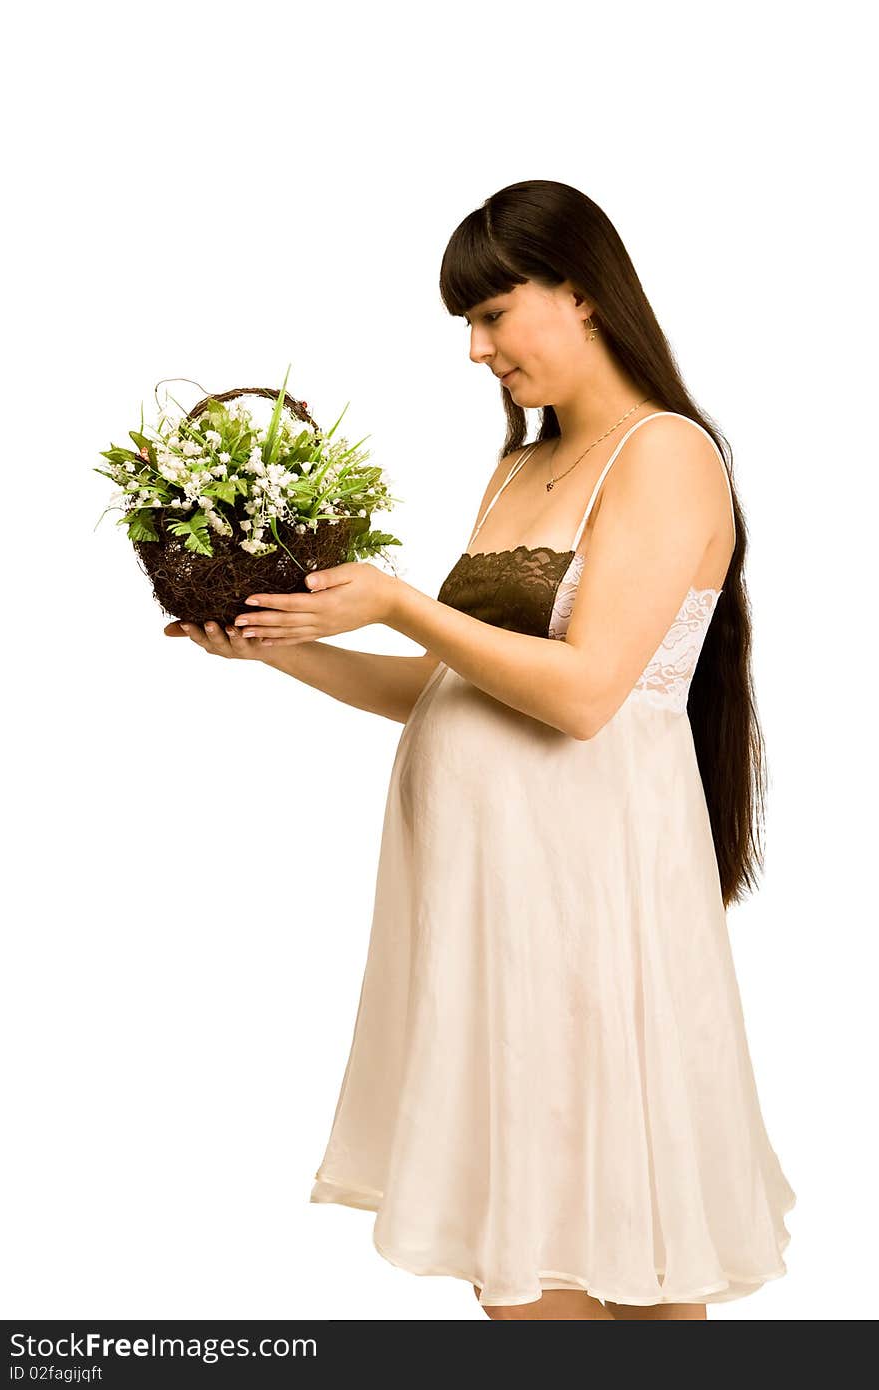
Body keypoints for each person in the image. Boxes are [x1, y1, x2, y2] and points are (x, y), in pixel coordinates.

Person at [167, 180, 796, 1320]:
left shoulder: (663, 456)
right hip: (491, 902)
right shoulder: (516, 467)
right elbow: (452, 689)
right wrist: (276, 648)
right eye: (466, 322)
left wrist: (402, 601)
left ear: (583, 296)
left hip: (585, 896)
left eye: (494, 312)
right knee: (543, 1241)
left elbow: (588, 693)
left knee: (603, 1247)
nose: (474, 348)